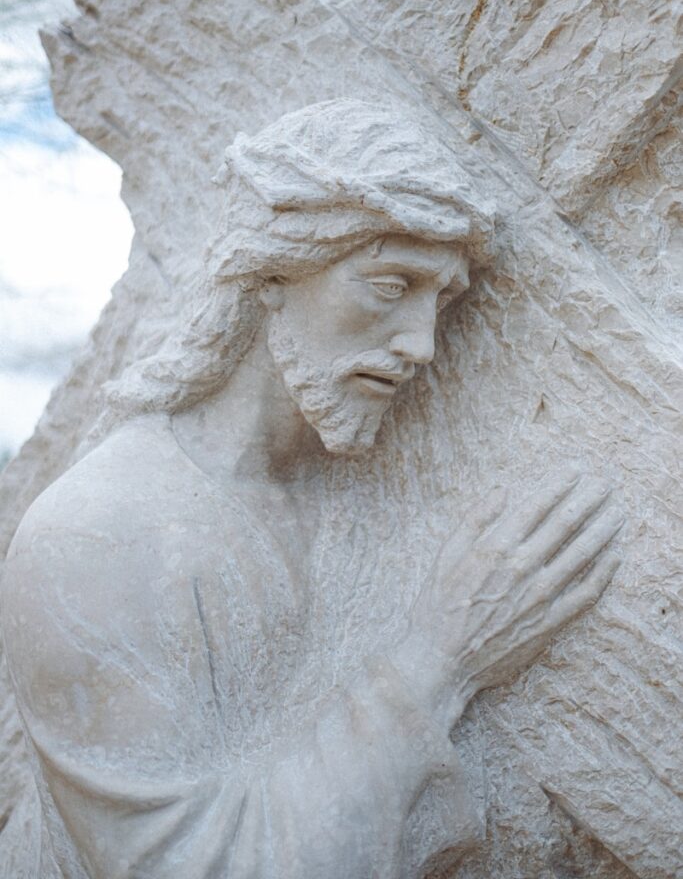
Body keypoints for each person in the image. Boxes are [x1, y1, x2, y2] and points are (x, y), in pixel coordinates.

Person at [1, 101, 622, 878]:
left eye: (444, 301)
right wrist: (441, 655)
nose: (421, 344)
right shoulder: (102, 535)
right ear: (268, 276)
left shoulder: (354, 494)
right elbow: (188, 868)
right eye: (388, 285)